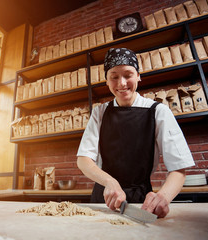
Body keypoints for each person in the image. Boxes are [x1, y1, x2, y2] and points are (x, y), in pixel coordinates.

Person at [76, 47, 195, 218]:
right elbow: (84, 160)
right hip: (104, 199)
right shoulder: (99, 113)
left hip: (142, 202)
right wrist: (109, 182)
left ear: (138, 76)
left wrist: (163, 198)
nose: (121, 83)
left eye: (128, 75)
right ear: (107, 82)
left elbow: (178, 168)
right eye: (114, 77)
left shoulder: (158, 111)